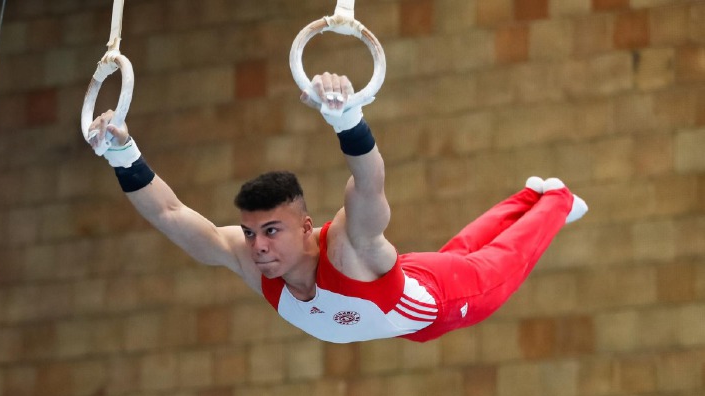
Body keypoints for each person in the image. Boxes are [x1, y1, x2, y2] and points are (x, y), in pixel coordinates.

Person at [87, 72, 588, 343]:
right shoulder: (245, 257)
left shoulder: (350, 245)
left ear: (307, 227)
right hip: (398, 303)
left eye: (272, 232)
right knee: (461, 250)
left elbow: (369, 183)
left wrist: (348, 119)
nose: (258, 247)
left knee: (499, 262)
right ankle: (528, 194)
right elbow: (170, 214)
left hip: (440, 304)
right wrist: (122, 153)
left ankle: (557, 200)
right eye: (251, 233)